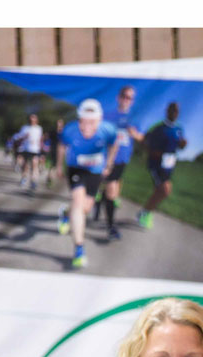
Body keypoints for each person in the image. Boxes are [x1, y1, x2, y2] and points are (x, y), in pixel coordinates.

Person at [58, 98, 119, 268]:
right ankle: (79, 249)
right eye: (83, 122)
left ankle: (66, 213)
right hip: (76, 168)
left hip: (95, 171)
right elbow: (61, 146)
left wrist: (109, 164)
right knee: (78, 202)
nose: (87, 127)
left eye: (92, 122)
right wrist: (58, 166)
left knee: (85, 208)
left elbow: (114, 144)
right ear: (78, 120)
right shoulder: (70, 130)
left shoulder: (108, 130)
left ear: (100, 120)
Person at [96, 85, 144, 240]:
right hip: (107, 159)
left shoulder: (134, 118)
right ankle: (111, 227)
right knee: (111, 190)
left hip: (122, 159)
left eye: (130, 97)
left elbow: (141, 137)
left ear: (132, 101)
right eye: (124, 96)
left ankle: (100, 202)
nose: (126, 100)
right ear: (119, 97)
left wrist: (134, 133)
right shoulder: (108, 116)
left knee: (112, 191)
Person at [138, 102, 187, 230]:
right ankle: (145, 212)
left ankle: (146, 211)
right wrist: (153, 151)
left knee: (160, 191)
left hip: (169, 164)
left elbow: (179, 146)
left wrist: (183, 144)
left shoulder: (179, 128)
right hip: (156, 164)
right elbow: (144, 141)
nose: (174, 113)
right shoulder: (158, 127)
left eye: (177, 111)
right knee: (165, 190)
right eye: (172, 110)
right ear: (167, 111)